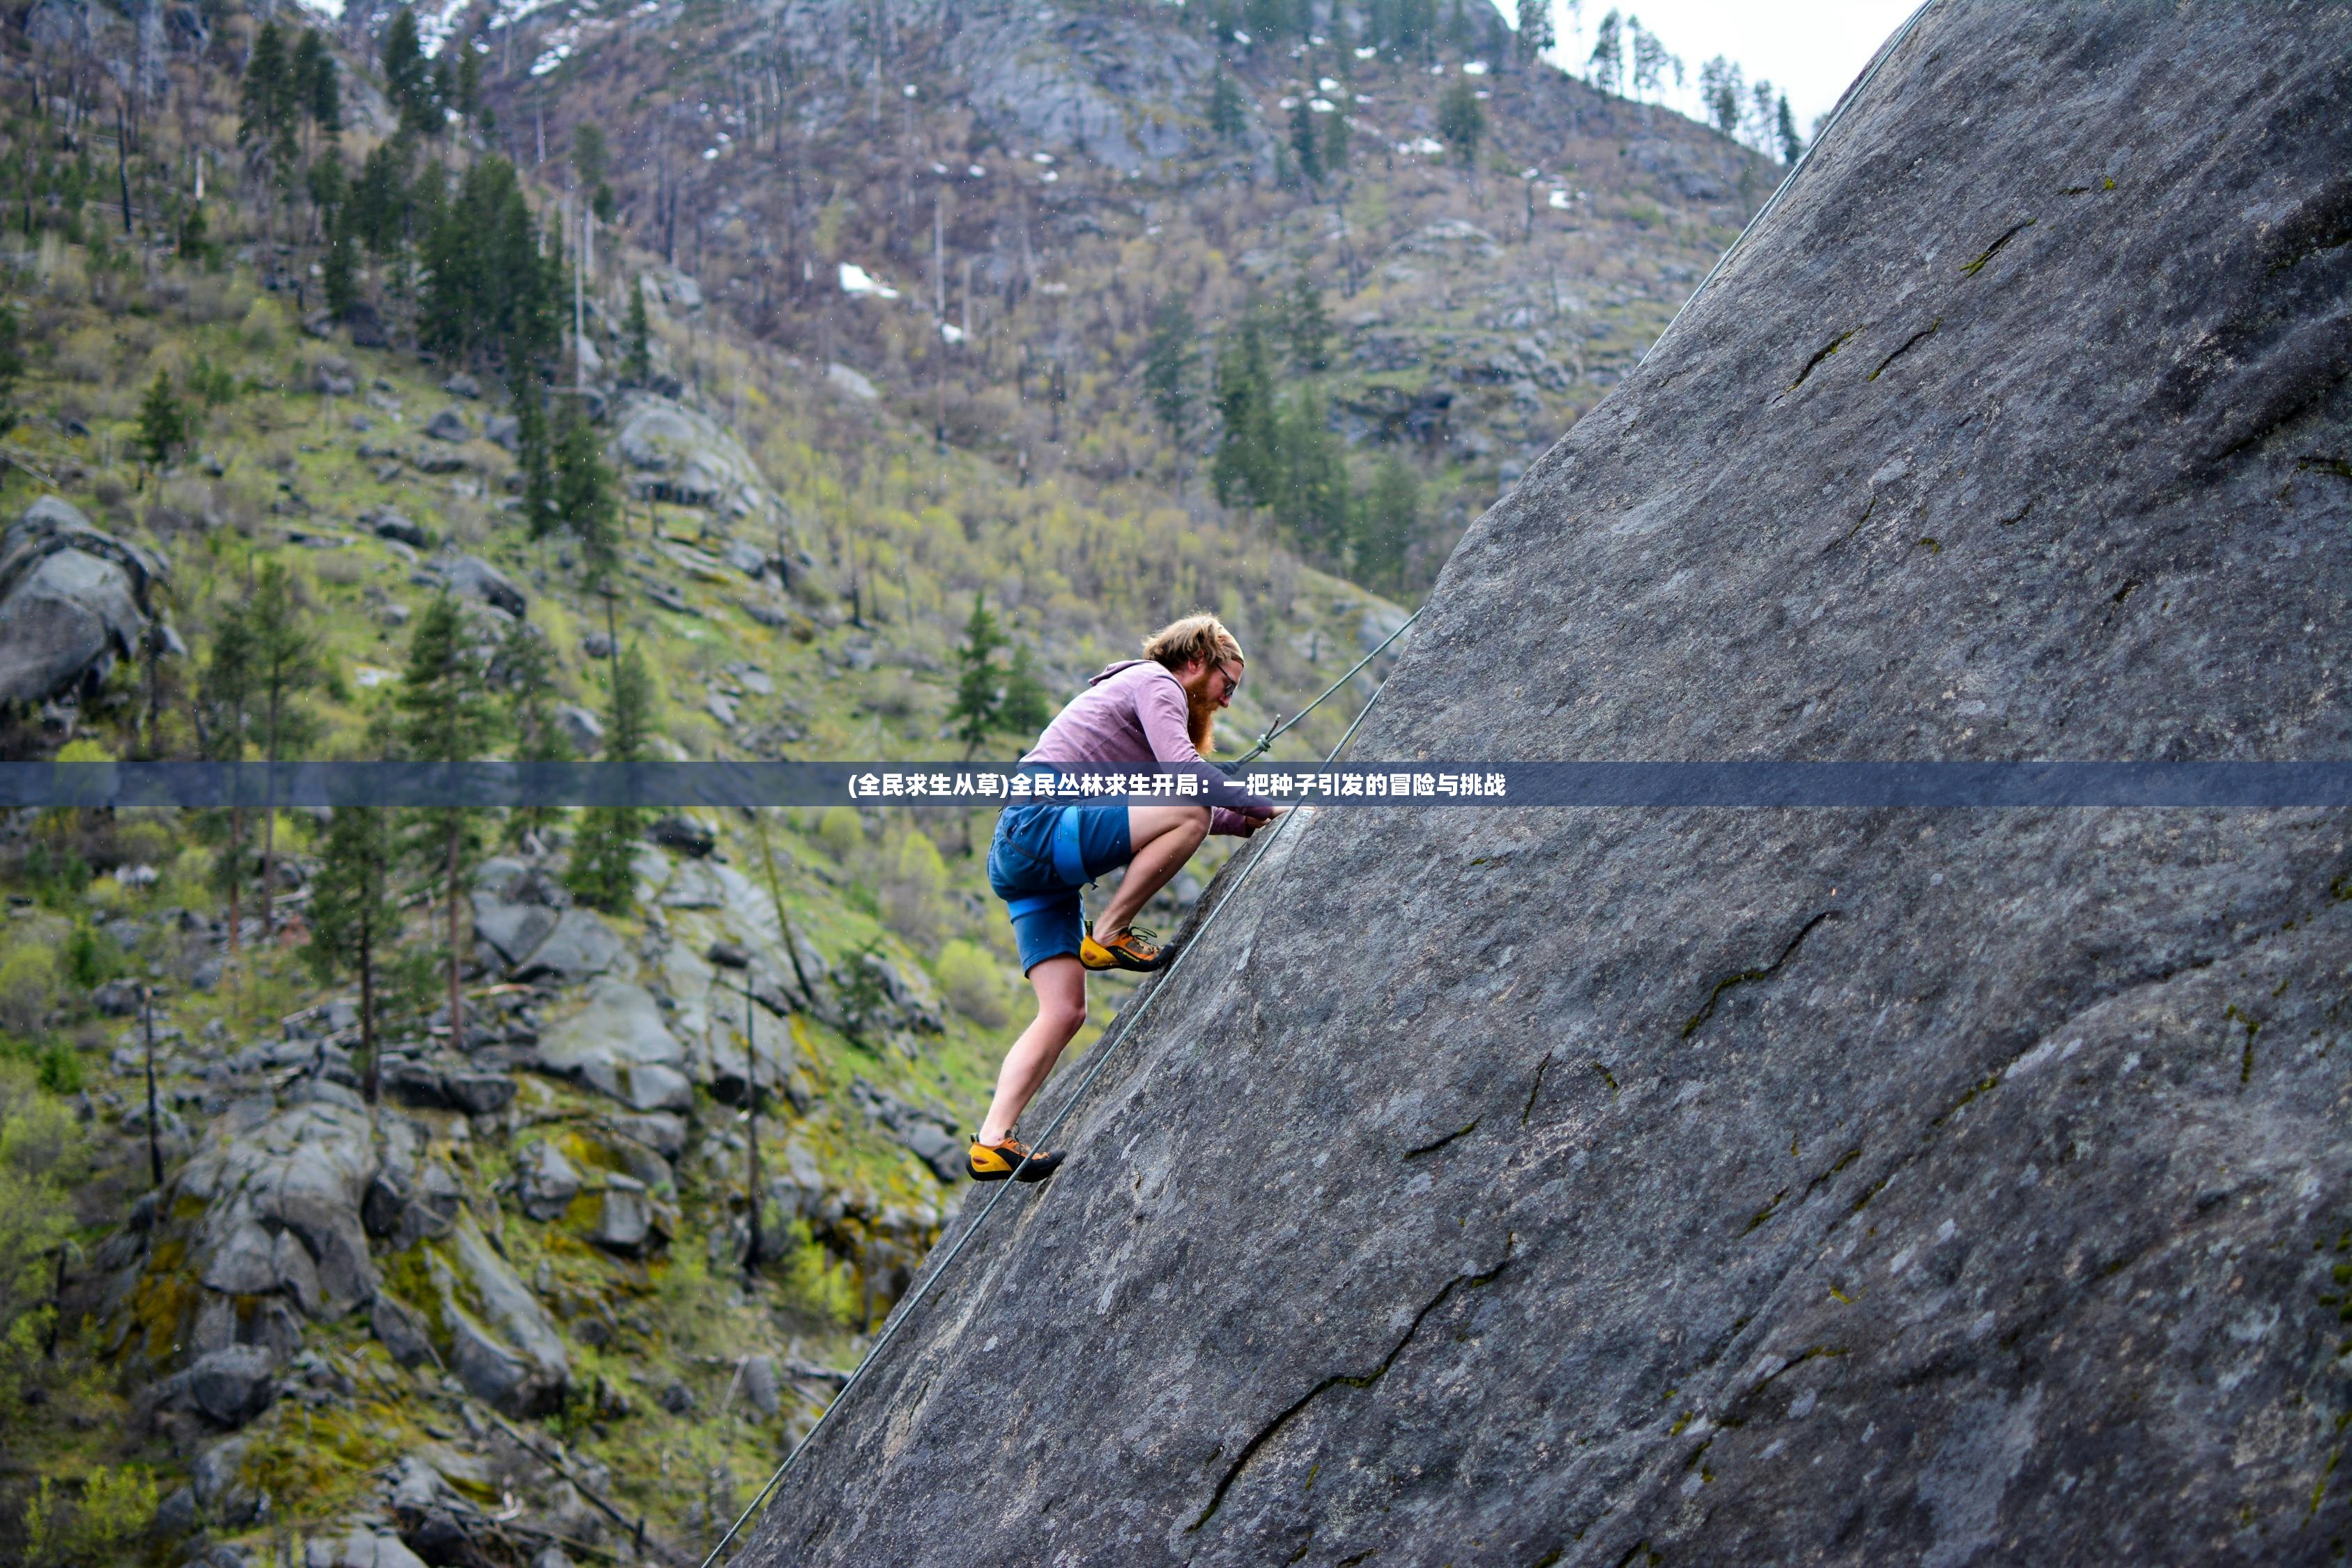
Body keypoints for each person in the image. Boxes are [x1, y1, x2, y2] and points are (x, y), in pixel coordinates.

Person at [969, 613, 1279, 1183]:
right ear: (1194, 663)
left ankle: (992, 1141)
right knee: (1193, 803)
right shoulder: (1155, 683)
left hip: (1024, 859)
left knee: (1064, 1011)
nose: (1227, 702)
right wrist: (1266, 803)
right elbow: (1184, 782)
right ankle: (1110, 932)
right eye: (1226, 686)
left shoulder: (1136, 701)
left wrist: (1245, 820)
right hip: (1039, 827)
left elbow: (1167, 800)